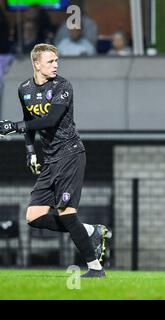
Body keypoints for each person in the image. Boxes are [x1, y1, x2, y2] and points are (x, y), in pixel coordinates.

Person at [0, 44, 111, 278]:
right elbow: (29, 121)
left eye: (56, 61)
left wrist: (14, 127)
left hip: (70, 154)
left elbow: (50, 120)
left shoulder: (63, 86)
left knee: (67, 213)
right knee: (34, 216)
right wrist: (30, 152)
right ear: (36, 64)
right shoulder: (24, 89)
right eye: (50, 61)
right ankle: (92, 230)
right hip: (50, 160)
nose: (56, 65)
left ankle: (95, 269)